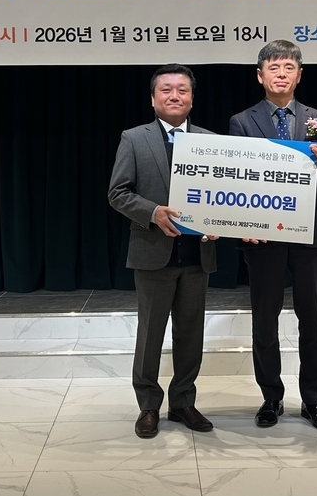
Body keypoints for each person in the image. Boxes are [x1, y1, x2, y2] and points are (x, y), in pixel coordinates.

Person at [229, 40, 317, 432]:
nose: (281, 74)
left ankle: (314, 401)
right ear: (260, 75)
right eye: (274, 67)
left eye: (288, 67)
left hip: (310, 231)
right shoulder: (242, 121)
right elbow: (237, 176)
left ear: (299, 75)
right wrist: (243, 224)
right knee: (265, 320)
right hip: (263, 235)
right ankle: (271, 397)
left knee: (312, 320)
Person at [108, 64, 217, 439]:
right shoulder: (134, 139)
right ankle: (149, 406)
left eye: (182, 90)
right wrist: (152, 212)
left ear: (192, 98)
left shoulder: (210, 140)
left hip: (197, 255)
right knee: (150, 336)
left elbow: (223, 196)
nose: (175, 95)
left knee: (191, 335)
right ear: (153, 99)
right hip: (153, 253)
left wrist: (221, 220)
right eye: (166, 89)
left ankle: (183, 402)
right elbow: (118, 193)